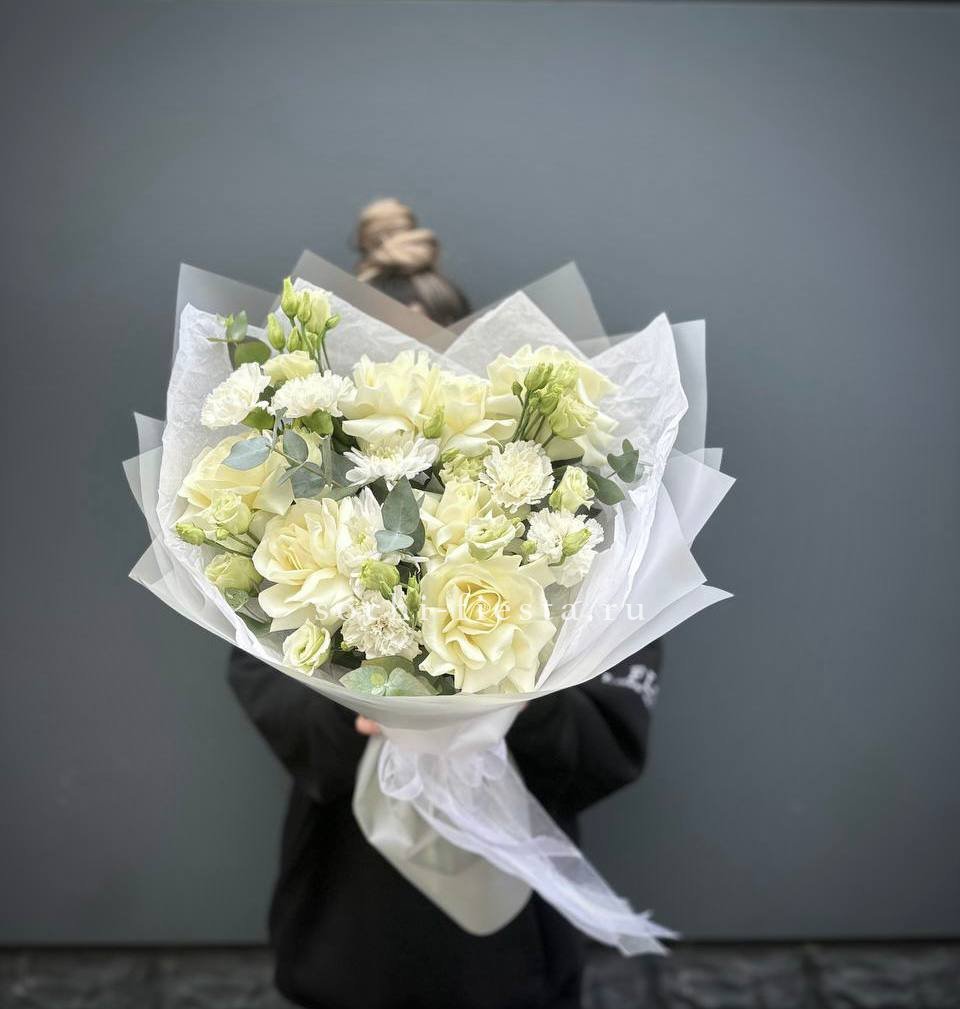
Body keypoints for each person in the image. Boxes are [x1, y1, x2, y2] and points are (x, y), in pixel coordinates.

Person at [228, 198, 663, 1009]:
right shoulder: (290, 526)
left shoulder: (569, 527)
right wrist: (361, 697)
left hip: (512, 953)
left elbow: (608, 744)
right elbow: (271, 694)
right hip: (344, 934)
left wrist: (506, 689)